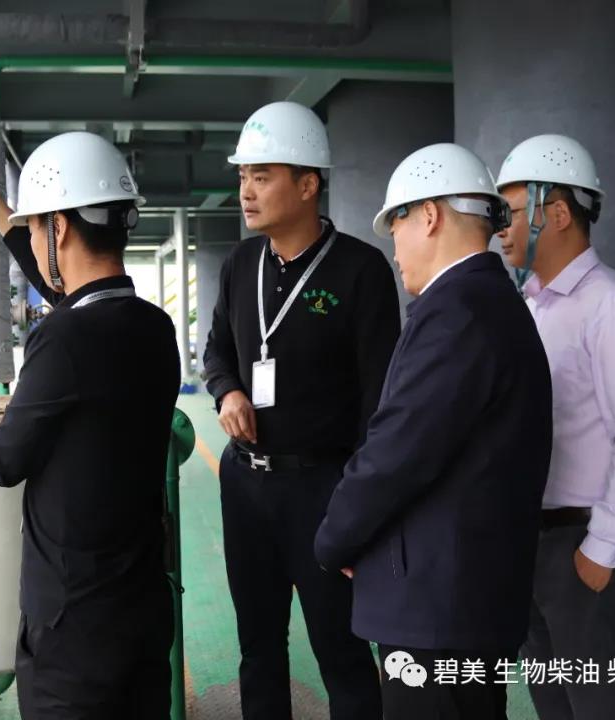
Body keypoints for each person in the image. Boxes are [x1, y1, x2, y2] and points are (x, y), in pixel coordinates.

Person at [314, 143, 553, 720]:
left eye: (395, 224)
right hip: (460, 599)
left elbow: (397, 452)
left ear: (428, 215)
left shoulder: (457, 312)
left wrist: (336, 539)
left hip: (439, 608)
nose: (393, 245)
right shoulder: (486, 302)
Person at [0, 131, 180, 719]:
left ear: (60, 228)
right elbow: (74, 293)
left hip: (73, 632)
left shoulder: (64, 339)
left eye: (35, 227)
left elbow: (1, 461)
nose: (32, 237)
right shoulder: (154, 329)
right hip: (141, 607)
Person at [202, 100, 396, 719]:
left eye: (261, 177)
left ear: (308, 185)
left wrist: (360, 507)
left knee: (341, 650)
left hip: (324, 488)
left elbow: (379, 403)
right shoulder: (240, 265)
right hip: (245, 483)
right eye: (243, 176)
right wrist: (227, 391)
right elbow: (217, 350)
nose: (246, 191)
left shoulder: (360, 270)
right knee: (258, 647)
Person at [496, 133, 615, 720]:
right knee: (554, 703)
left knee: (601, 705)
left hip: (587, 543)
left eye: (510, 212)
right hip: (535, 541)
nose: (500, 229)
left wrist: (602, 550)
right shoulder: (531, 306)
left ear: (558, 213)